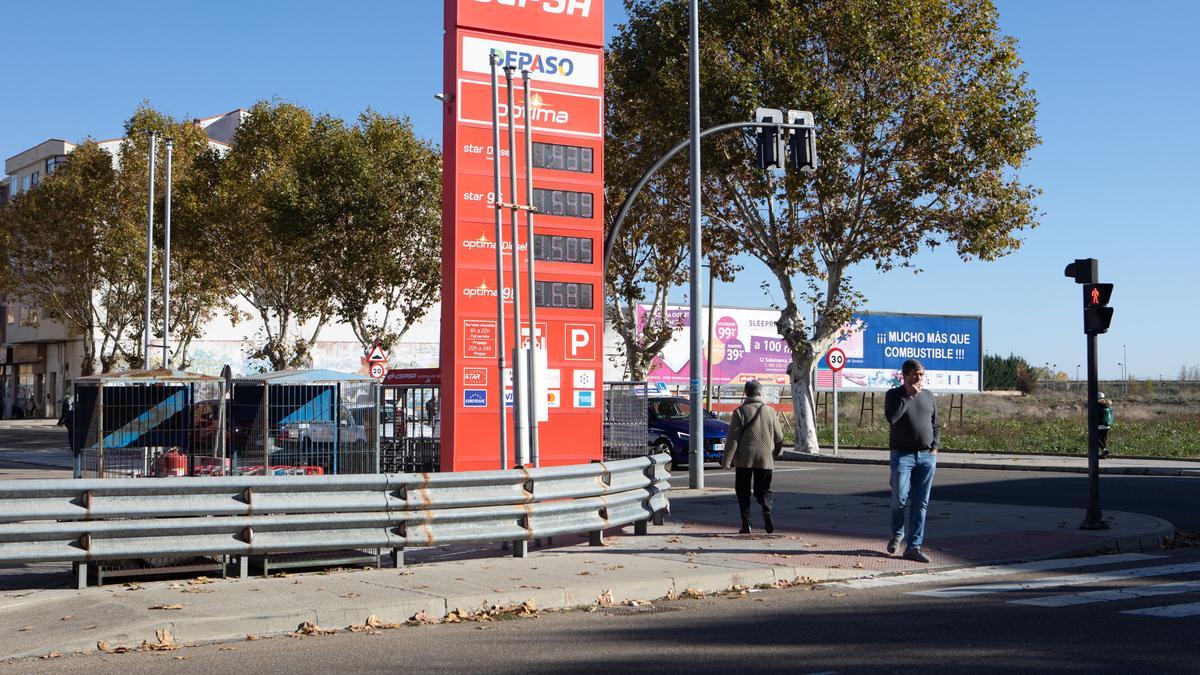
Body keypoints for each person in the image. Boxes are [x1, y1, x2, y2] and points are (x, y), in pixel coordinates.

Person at [884, 358, 940, 563]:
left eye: (921, 375)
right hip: (902, 455)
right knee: (899, 499)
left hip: (926, 456)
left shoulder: (929, 396)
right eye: (915, 375)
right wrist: (908, 397)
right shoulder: (894, 395)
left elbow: (936, 425)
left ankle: (914, 547)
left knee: (921, 503)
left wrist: (935, 447)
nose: (919, 379)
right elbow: (892, 418)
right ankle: (897, 533)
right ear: (905, 376)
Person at [721, 380, 785, 534]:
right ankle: (766, 508)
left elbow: (733, 439)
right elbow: (779, 437)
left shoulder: (740, 412)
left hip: (744, 459)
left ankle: (746, 524)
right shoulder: (770, 411)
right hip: (765, 458)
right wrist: (773, 455)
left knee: (742, 491)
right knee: (763, 489)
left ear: (746, 393)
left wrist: (727, 461)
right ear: (760, 393)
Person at [1098, 392, 1113, 459]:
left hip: (1100, 425)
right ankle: (1104, 455)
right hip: (1107, 425)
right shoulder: (1107, 405)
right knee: (1103, 440)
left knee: (1095, 439)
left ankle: (1105, 450)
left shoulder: (1098, 405)